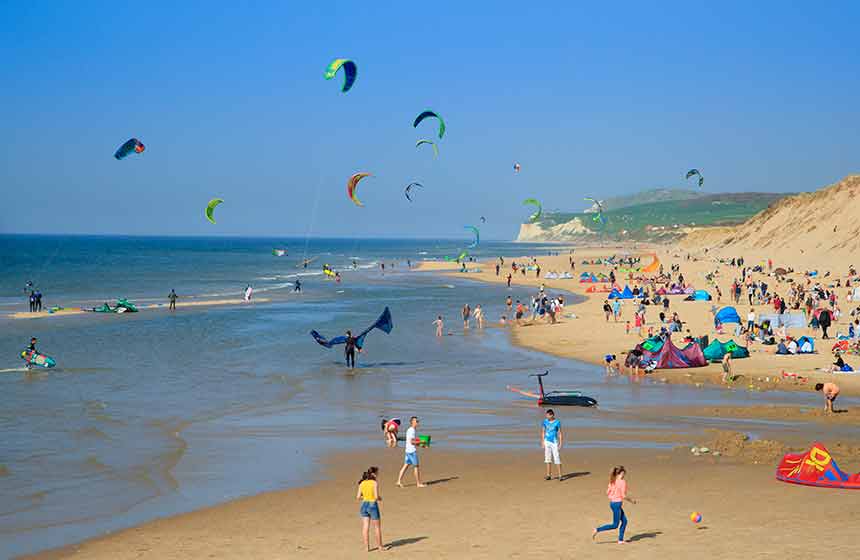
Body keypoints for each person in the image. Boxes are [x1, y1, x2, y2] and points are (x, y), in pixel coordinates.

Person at [592, 466, 636, 544]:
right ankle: (597, 530)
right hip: (617, 504)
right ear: (621, 473)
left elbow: (607, 492)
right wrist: (632, 500)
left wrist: (614, 495)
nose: (624, 475)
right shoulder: (622, 482)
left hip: (612, 503)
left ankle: (620, 540)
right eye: (624, 474)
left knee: (625, 521)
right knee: (615, 525)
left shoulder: (612, 480)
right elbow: (623, 495)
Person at [357, 466, 388, 552]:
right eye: (377, 473)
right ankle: (380, 547)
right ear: (373, 474)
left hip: (364, 504)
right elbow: (376, 496)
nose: (378, 475)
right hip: (372, 504)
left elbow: (358, 497)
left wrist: (365, 496)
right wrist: (380, 498)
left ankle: (367, 547)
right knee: (377, 527)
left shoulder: (362, 483)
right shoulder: (374, 483)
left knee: (365, 526)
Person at [397, 417, 425, 487]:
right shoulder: (412, 430)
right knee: (416, 466)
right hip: (412, 451)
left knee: (405, 466)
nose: (417, 422)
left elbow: (411, 441)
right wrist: (421, 441)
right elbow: (412, 442)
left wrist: (420, 444)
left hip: (408, 451)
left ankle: (398, 481)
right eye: (416, 421)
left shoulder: (410, 430)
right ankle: (418, 483)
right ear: (412, 422)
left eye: (418, 421)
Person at [541, 409, 563, 481]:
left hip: (554, 442)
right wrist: (542, 442)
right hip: (547, 442)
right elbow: (543, 431)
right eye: (546, 415)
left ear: (552, 415)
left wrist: (560, 443)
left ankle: (560, 475)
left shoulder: (557, 422)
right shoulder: (545, 422)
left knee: (557, 458)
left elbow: (559, 433)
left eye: (548, 415)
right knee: (547, 458)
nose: (546, 416)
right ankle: (548, 475)